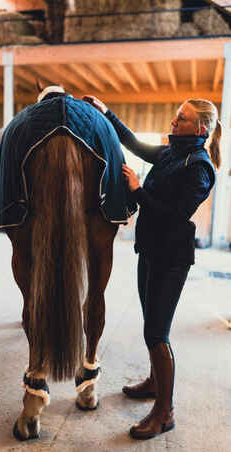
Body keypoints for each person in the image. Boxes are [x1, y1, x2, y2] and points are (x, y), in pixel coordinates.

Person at [82, 95, 221, 440]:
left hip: (171, 257)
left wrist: (137, 190)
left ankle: (165, 412)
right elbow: (133, 142)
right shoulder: (173, 152)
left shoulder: (199, 166)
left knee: (157, 333)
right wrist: (105, 112)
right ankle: (154, 382)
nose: (174, 122)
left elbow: (175, 216)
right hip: (151, 250)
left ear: (200, 128)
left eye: (182, 118)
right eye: (177, 116)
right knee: (151, 325)